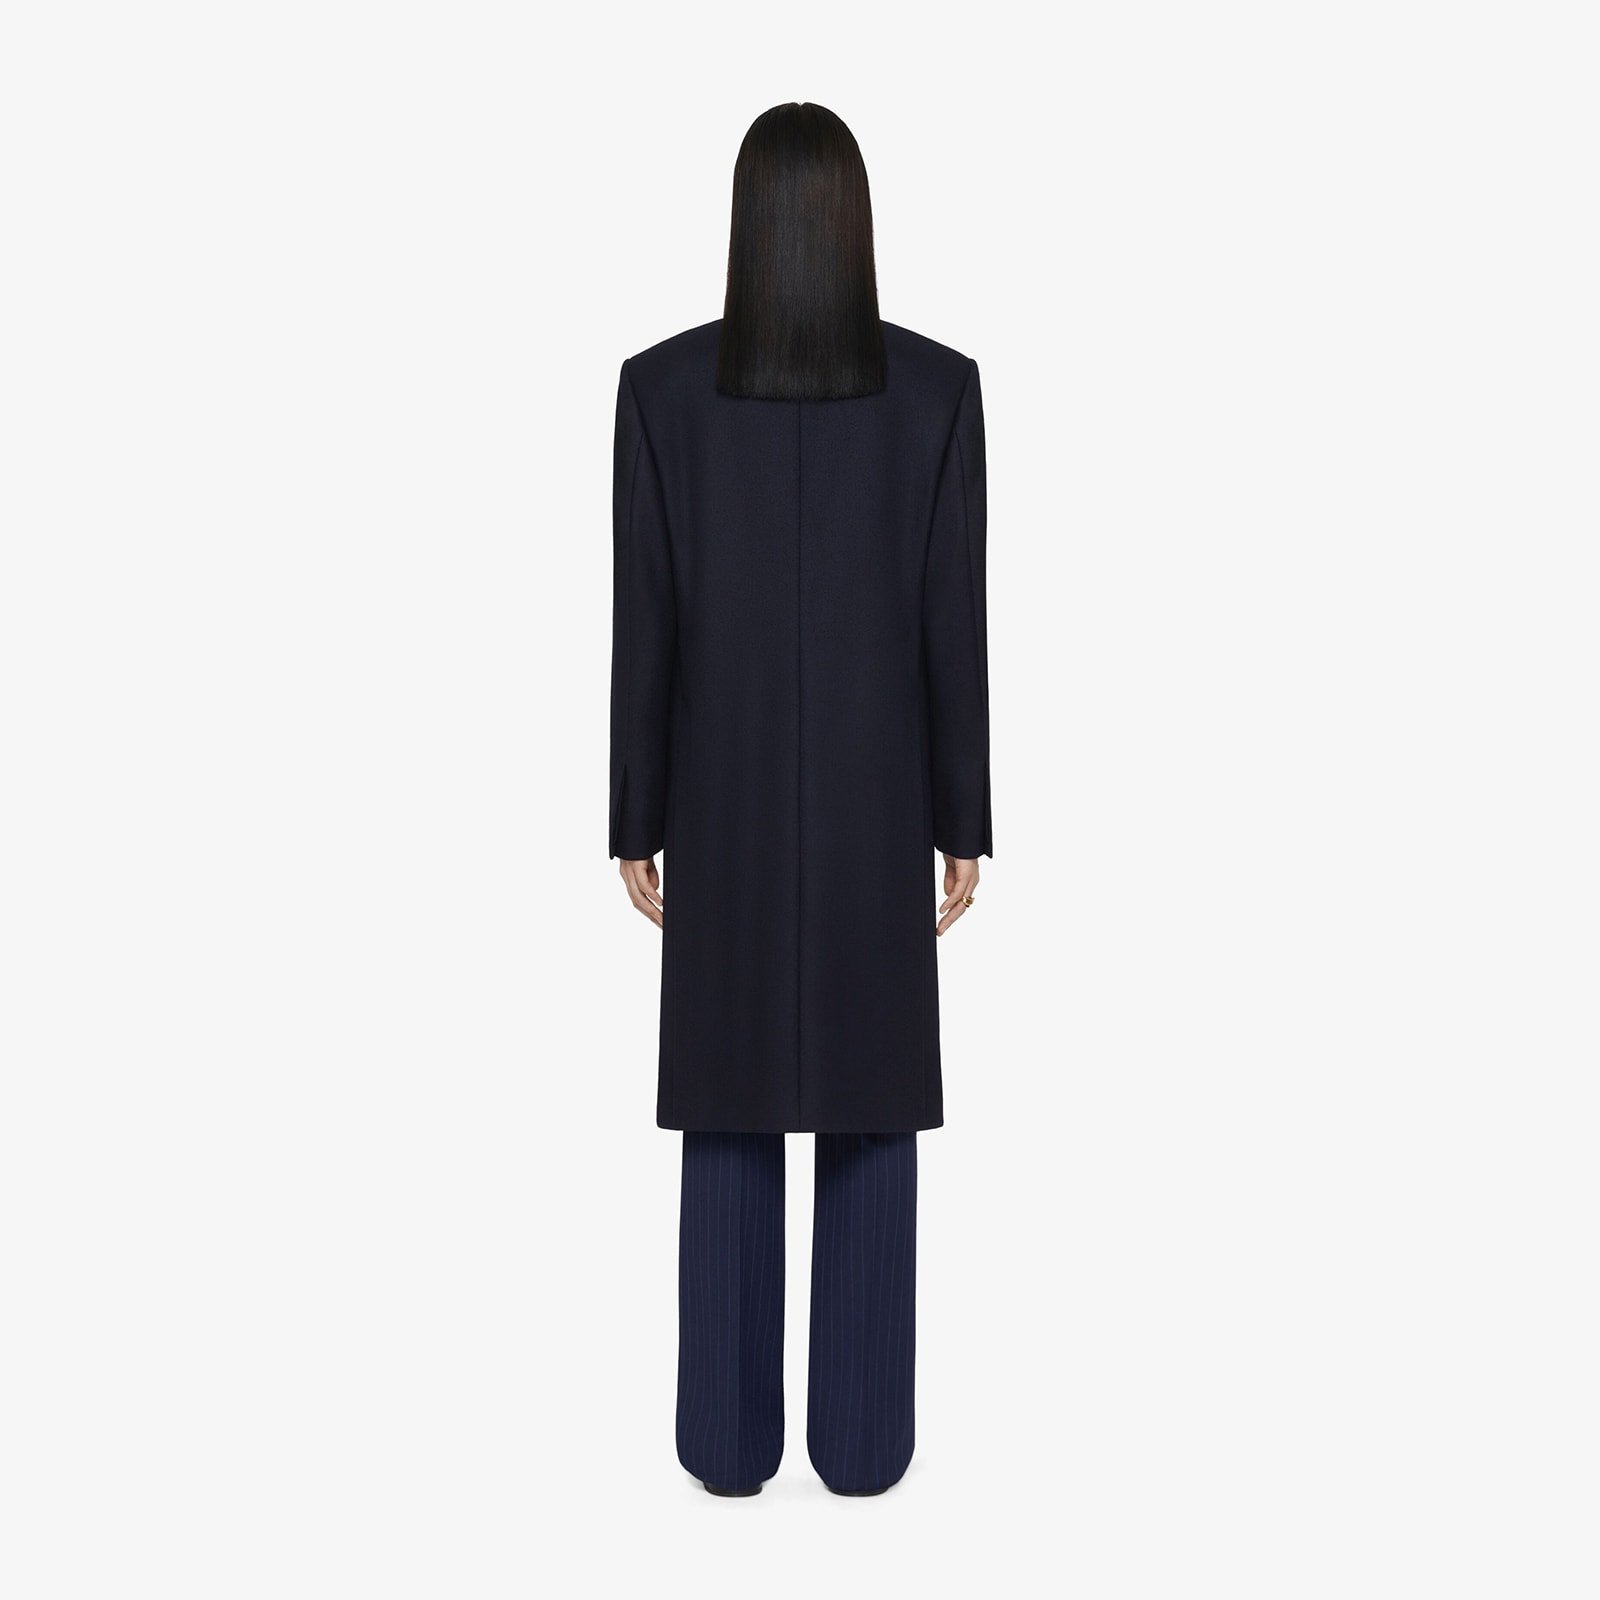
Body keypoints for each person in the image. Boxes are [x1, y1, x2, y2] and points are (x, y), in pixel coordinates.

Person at [609, 102, 991, 1497]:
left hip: (720, 813)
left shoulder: (660, 392)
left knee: (729, 1110)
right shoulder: (937, 392)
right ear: (854, 223)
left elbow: (644, 623)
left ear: (744, 222)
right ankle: (865, 1447)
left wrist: (637, 817)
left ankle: (724, 1444)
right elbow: (954, 625)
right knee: (869, 1106)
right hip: (877, 816)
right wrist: (961, 822)